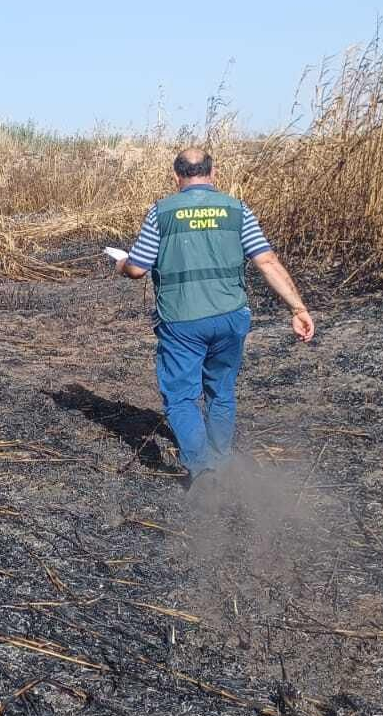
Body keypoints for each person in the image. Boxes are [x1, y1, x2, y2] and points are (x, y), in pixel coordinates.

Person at [114, 149, 314, 488]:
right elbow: (267, 262)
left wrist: (120, 262)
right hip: (230, 317)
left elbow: (137, 268)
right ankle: (222, 460)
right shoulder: (237, 210)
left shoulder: (161, 213)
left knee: (180, 397)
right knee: (221, 390)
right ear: (212, 172)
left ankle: (204, 471)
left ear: (176, 175)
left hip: (181, 322)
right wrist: (298, 309)